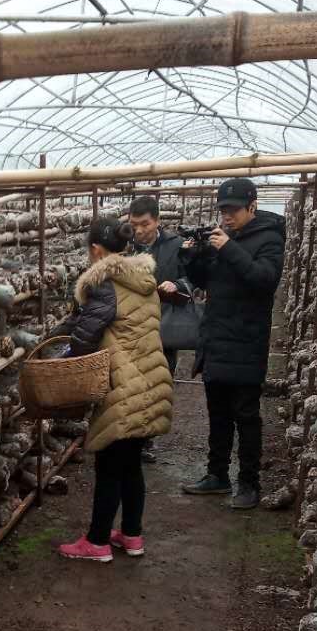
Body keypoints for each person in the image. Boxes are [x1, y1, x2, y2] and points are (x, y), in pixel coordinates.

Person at [55, 217, 173, 563]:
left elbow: (85, 334)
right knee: (131, 464)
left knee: (109, 464)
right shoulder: (143, 280)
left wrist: (60, 358)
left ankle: (97, 542)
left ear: (96, 249)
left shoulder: (105, 284)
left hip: (123, 385)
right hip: (150, 378)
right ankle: (132, 535)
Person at [180, 177, 286, 510]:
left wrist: (228, 248)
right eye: (223, 210)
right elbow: (204, 281)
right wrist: (193, 258)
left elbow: (264, 279)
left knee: (247, 416)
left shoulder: (269, 238)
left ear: (252, 206)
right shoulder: (223, 237)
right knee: (219, 413)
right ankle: (217, 475)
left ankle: (249, 483)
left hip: (246, 340)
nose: (227, 216)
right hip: (216, 338)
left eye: (234, 210)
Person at [127, 194, 193, 461]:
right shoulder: (126, 246)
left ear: (157, 221)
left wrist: (177, 285)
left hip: (163, 325)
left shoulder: (175, 245)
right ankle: (132, 436)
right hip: (131, 325)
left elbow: (191, 277)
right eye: (134, 225)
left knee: (158, 381)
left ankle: (146, 438)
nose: (139, 230)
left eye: (144, 224)